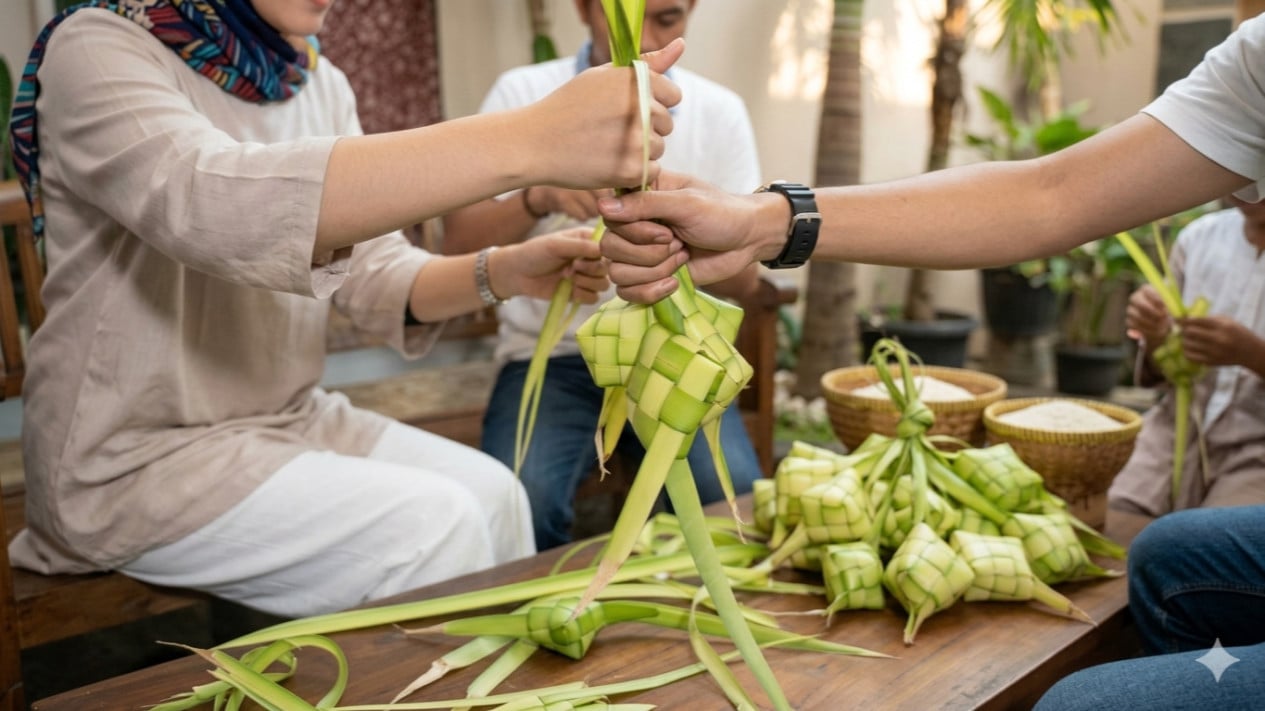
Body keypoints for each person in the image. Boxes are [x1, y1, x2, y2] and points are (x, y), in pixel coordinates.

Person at [593, 12, 1265, 711]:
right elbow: (1050, 195)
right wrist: (765, 221)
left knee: (1081, 704)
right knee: (1166, 555)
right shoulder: (1256, 58)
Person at [6, 0, 684, 619]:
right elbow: (210, 204)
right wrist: (529, 140)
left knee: (498, 493)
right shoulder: (96, 47)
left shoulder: (315, 80)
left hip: (286, 419)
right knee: (434, 525)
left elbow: (375, 275)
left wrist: (503, 270)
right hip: (131, 460)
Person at [441, 0, 764, 551]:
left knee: (732, 500)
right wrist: (538, 195)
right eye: (625, 17)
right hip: (554, 361)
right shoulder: (524, 95)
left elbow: (746, 281)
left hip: (676, 357)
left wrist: (684, 240)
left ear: (691, 11)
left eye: (667, 19)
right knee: (521, 502)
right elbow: (457, 242)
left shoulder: (719, 110)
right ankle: (556, 600)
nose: (643, 39)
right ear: (585, 8)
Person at [1108, 196, 1265, 516]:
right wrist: (1155, 334)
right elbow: (1164, 364)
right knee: (1112, 513)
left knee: (1210, 540)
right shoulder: (1200, 237)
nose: (1248, 191)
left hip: (1257, 449)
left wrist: (1253, 355)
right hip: (1176, 427)